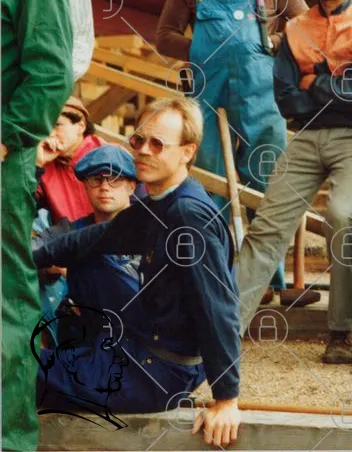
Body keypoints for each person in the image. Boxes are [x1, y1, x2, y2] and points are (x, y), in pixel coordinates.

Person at [33, 98, 241, 447]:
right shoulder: (162, 203)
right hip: (140, 348)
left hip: (155, 373)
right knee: (87, 255)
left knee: (21, 373)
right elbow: (96, 237)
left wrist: (226, 399)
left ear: (187, 152)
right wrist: (28, 257)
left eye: (158, 144)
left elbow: (217, 307)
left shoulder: (186, 216)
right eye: (138, 140)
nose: (143, 150)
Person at [234, 0, 352, 364]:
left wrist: (312, 82)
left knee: (341, 216)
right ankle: (224, 329)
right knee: (268, 224)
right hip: (307, 135)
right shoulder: (295, 28)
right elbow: (285, 98)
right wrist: (331, 84)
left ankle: (342, 332)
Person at [156, 0, 308, 303]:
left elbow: (306, 28)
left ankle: (268, 281)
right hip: (206, 98)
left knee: (265, 182)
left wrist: (275, 41)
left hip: (263, 99)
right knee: (210, 182)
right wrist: (203, 49)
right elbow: (164, 37)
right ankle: (216, 274)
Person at [0, 0, 73, 451]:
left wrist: (6, 139)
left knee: (5, 303)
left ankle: (9, 437)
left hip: (2, 161)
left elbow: (50, 72)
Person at [34, 145, 140, 338]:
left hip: (140, 338)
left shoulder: (150, 229)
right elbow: (24, 253)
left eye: (115, 179)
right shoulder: (70, 231)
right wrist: (51, 267)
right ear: (85, 187)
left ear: (131, 187)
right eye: (96, 180)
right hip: (87, 339)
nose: (105, 187)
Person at [35, 96, 105, 224]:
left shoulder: (107, 154)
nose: (50, 134)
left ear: (81, 126)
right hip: (66, 235)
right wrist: (38, 165)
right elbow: (21, 209)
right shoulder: (45, 161)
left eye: (57, 125)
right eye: (45, 127)